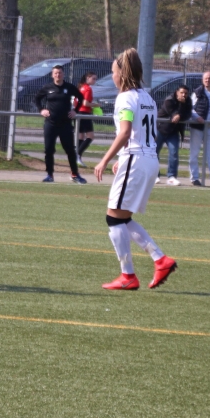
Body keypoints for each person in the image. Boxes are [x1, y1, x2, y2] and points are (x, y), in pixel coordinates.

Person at [93, 48, 176, 291]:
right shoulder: (147, 97)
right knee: (122, 217)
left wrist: (105, 160)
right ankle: (160, 260)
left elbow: (125, 132)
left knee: (113, 218)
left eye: (113, 72)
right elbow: (144, 133)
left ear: (122, 73)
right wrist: (124, 157)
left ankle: (128, 275)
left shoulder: (125, 98)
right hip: (148, 159)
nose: (112, 77)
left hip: (136, 159)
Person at [35, 64, 88, 184]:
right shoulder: (47, 87)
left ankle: (75, 174)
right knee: (49, 150)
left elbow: (80, 98)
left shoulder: (69, 87)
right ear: (52, 75)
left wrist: (75, 111)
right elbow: (37, 99)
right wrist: (41, 110)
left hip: (65, 125)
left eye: (60, 73)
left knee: (70, 150)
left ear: (63, 74)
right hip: (50, 124)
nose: (58, 75)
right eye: (56, 73)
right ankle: (49, 175)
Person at [155, 85, 191, 186]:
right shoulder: (169, 100)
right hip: (160, 129)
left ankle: (171, 177)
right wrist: (178, 113)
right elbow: (172, 113)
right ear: (177, 92)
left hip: (173, 131)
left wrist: (180, 113)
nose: (184, 95)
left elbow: (187, 114)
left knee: (174, 153)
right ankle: (155, 175)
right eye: (182, 93)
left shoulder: (188, 101)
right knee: (154, 152)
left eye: (186, 93)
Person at [76, 71, 99, 166]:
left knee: (81, 136)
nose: (94, 81)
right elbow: (85, 103)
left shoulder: (81, 87)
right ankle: (77, 154)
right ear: (87, 78)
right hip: (84, 113)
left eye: (95, 79)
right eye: (93, 78)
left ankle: (77, 157)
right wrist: (95, 105)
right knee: (90, 136)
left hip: (78, 112)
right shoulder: (88, 88)